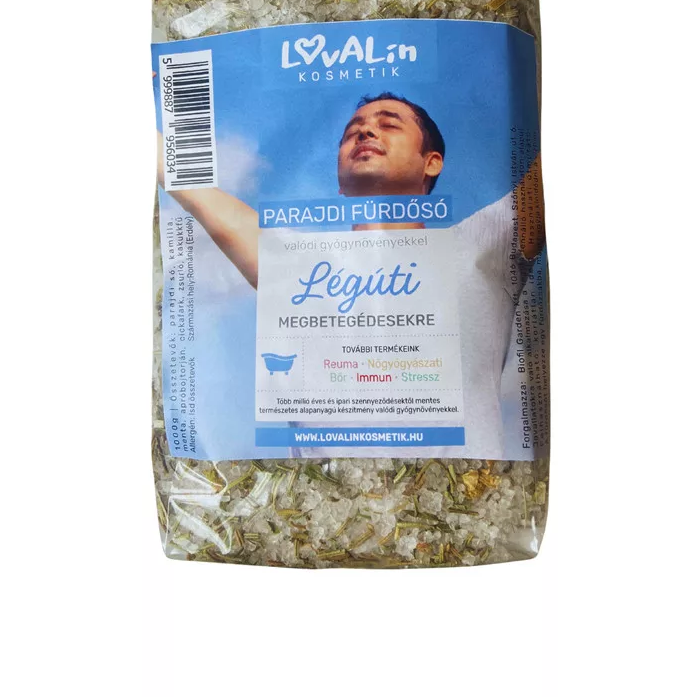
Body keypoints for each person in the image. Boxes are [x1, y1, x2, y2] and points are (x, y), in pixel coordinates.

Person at [158, 92, 545, 455]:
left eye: (389, 124)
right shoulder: (301, 264)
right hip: (326, 500)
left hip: (466, 496)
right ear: (339, 178)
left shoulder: (481, 245)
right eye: (351, 132)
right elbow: (198, 193)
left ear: (431, 162)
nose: (366, 131)